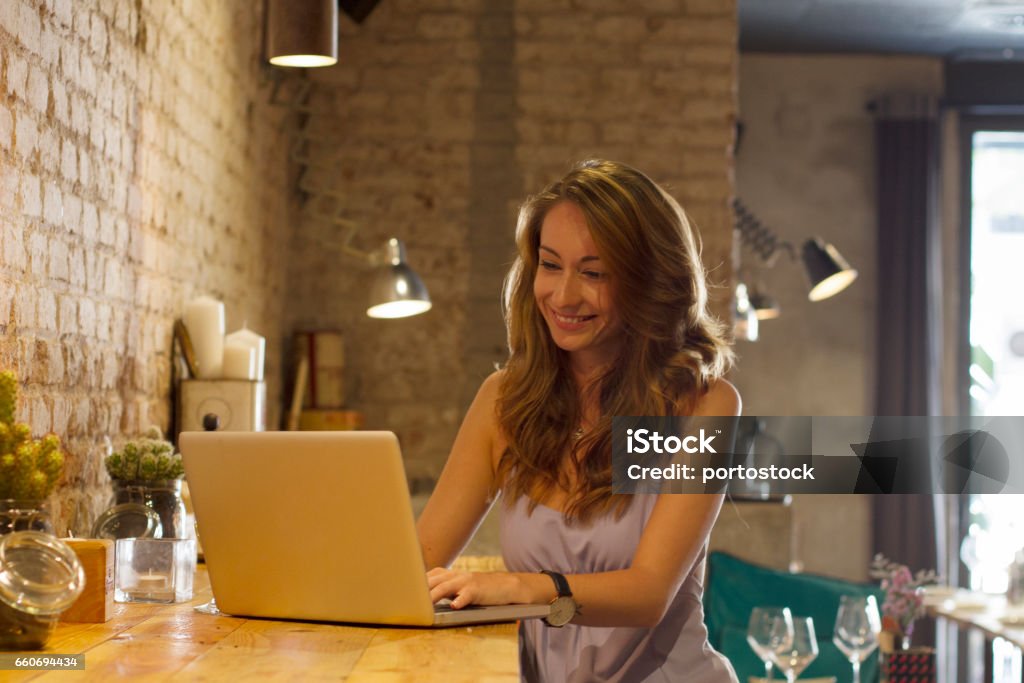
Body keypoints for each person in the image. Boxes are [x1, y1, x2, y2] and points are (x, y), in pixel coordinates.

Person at [416, 159, 741, 682]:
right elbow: (416, 564)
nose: (563, 296)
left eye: (593, 273)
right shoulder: (505, 400)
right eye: (550, 265)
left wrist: (525, 588)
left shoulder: (702, 407)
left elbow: (648, 593)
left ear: (649, 282)